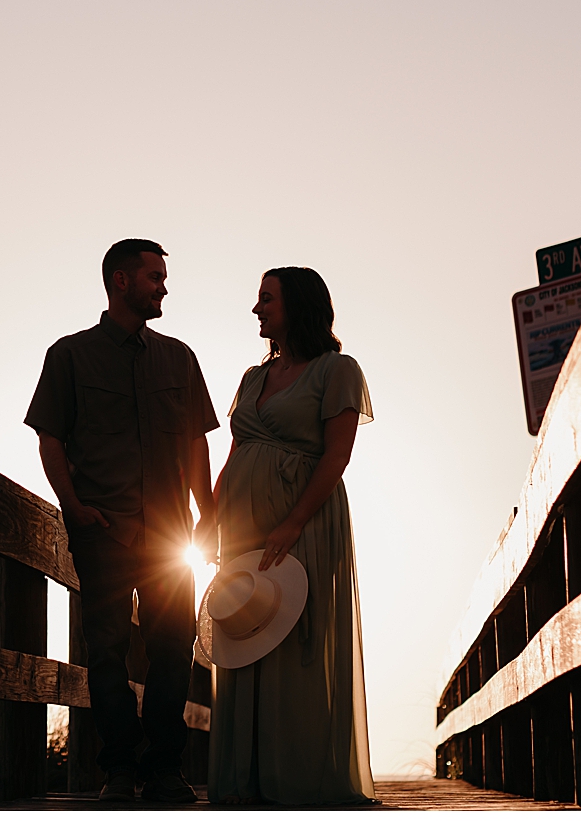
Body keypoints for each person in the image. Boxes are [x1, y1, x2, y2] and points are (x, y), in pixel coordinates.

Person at [26, 239, 219, 804]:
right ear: (120, 281)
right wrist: (72, 504)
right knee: (106, 650)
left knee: (173, 646)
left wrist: (206, 513)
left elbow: (194, 445)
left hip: (169, 535)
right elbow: (50, 438)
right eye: (155, 276)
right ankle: (118, 768)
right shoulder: (69, 355)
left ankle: (163, 767)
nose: (163, 286)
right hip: (103, 530)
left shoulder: (179, 358)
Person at [207, 266, 377, 805]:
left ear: (297, 305)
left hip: (301, 521)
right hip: (241, 528)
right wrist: (210, 514)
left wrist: (295, 519)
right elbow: (234, 452)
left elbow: (337, 454)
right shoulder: (252, 378)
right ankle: (249, 777)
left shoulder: (336, 370)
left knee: (297, 641)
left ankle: (299, 779)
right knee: (246, 633)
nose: (256, 309)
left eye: (266, 300)